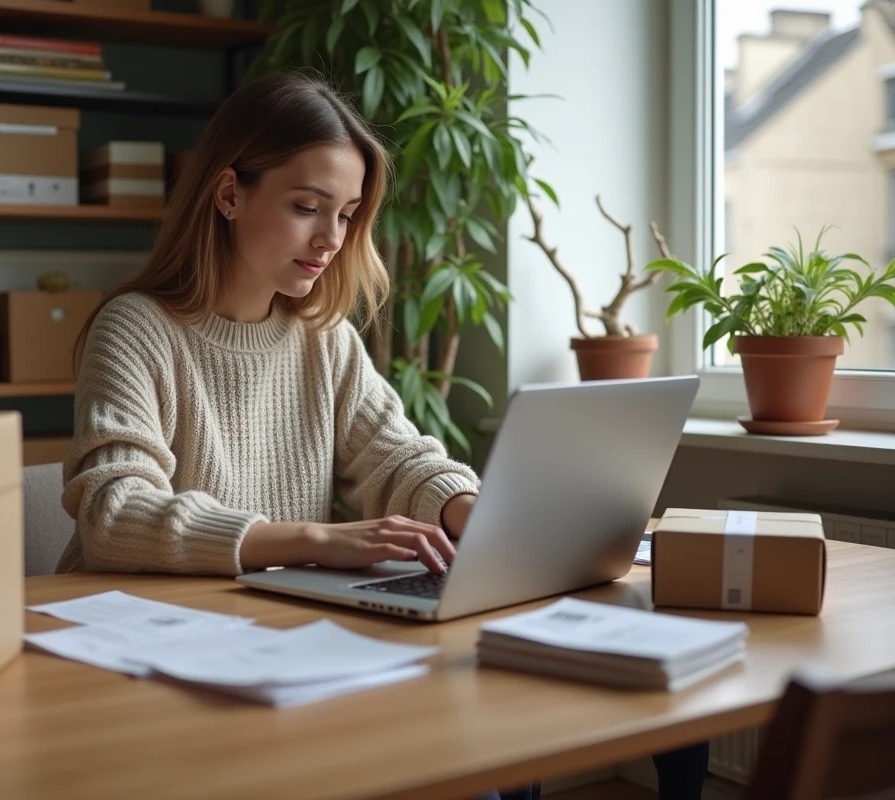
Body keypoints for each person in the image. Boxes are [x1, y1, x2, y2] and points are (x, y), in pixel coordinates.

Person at [56, 70, 708, 800]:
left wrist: (476, 513)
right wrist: (314, 539)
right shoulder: (137, 329)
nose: (331, 239)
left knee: (510, 754)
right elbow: (114, 513)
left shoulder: (321, 336)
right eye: (308, 208)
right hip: (139, 663)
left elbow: (396, 455)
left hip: (268, 644)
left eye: (348, 214)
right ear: (230, 194)